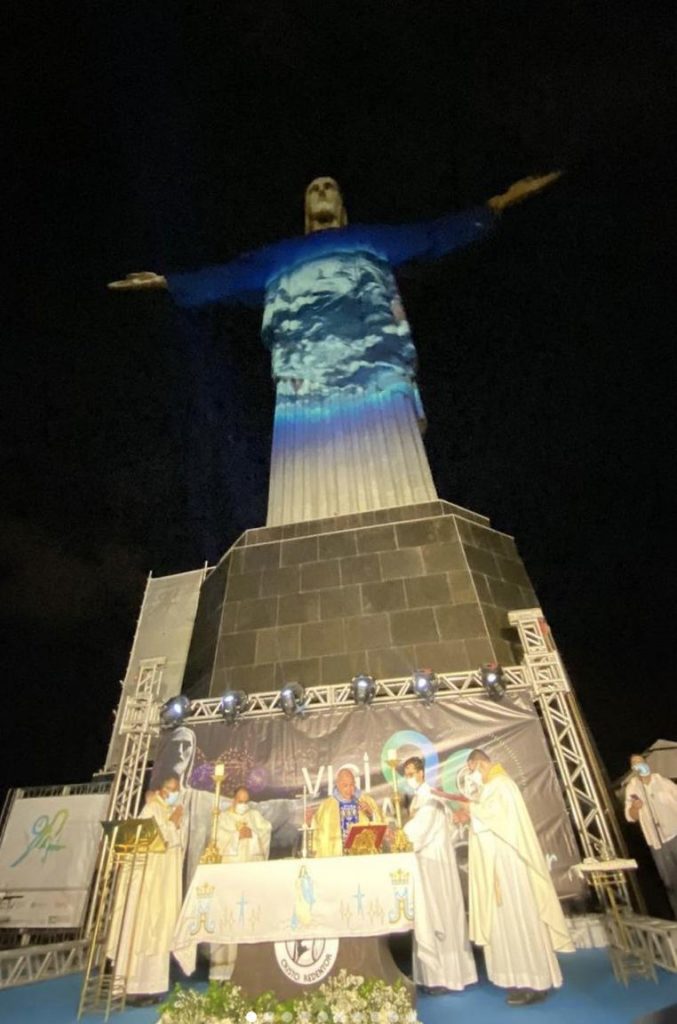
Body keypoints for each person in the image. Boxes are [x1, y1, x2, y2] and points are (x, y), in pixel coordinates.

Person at [108, 172, 561, 526]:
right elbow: (224, 277)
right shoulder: (279, 256)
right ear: (305, 205)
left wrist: (498, 204)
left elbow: (433, 235)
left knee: (393, 478)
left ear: (340, 203)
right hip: (304, 385)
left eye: (329, 187)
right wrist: (167, 282)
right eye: (314, 188)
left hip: (376, 371)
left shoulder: (371, 239)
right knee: (305, 486)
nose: (322, 191)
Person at [456, 749, 574, 1007]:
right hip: (497, 868)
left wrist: (472, 810)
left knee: (521, 918)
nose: (471, 775)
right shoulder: (490, 788)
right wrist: (472, 811)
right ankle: (519, 978)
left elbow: (499, 820)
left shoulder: (502, 785)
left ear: (479, 764)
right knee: (507, 923)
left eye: (472, 769)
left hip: (510, 868)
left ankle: (536, 981)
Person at [107, 773, 184, 1007]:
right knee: (140, 929)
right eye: (172, 789)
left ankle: (152, 986)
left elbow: (175, 846)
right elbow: (151, 838)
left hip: (161, 882)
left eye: (177, 790)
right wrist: (173, 823)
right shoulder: (151, 809)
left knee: (159, 930)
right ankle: (130, 987)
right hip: (145, 883)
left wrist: (175, 822)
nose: (175, 794)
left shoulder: (171, 811)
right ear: (162, 790)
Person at [401, 756, 477, 993]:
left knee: (438, 915)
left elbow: (419, 831)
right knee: (431, 916)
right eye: (406, 774)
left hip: (434, 864)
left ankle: (444, 976)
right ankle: (430, 974)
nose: (408, 778)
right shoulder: (419, 798)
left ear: (422, 773)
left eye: (412, 772)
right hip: (426, 863)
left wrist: (398, 836)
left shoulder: (430, 797)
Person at [209, 786, 272, 981]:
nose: (243, 805)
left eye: (246, 801)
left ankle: (248, 969)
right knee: (227, 920)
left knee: (248, 921)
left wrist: (252, 835)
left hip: (249, 879)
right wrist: (237, 836)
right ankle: (221, 972)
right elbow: (217, 843)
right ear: (233, 800)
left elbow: (265, 832)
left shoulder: (254, 816)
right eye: (240, 801)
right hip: (229, 880)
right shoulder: (223, 818)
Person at [625, 753, 677, 918]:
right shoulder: (632, 788)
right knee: (670, 882)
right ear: (633, 769)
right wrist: (635, 807)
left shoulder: (663, 782)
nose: (639, 766)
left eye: (641, 762)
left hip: (675, 834)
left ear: (646, 763)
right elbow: (630, 817)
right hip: (657, 843)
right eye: (635, 764)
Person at [312, 768, 383, 857]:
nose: (349, 789)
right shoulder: (326, 807)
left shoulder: (367, 801)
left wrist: (371, 814)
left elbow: (380, 827)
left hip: (363, 855)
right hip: (336, 857)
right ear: (337, 785)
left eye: (352, 785)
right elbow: (317, 835)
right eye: (345, 785)